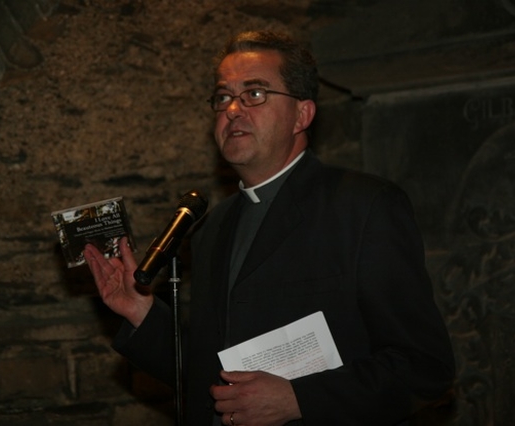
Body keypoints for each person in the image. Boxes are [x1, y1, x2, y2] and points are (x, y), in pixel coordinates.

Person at [83, 30, 455, 426]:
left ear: (302, 114)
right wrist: (142, 314)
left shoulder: (363, 207)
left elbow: (423, 367)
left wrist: (299, 399)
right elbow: (211, 374)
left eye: (255, 94)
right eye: (223, 97)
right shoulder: (213, 228)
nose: (232, 110)